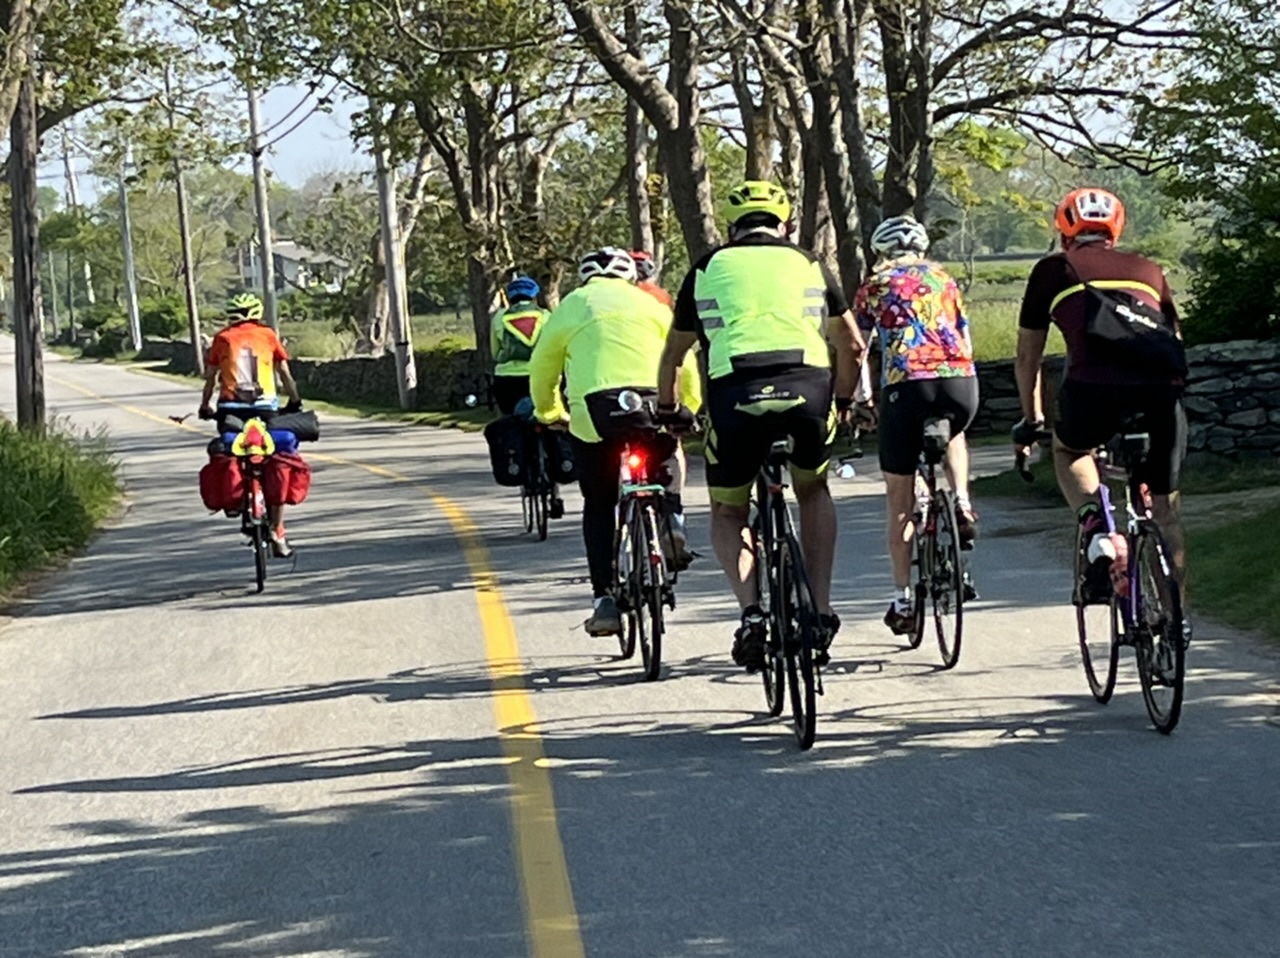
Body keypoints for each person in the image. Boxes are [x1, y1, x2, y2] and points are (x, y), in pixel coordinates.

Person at [657, 181, 867, 671]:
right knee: (813, 491)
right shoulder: (809, 262)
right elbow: (853, 346)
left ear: (732, 228)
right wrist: (841, 399)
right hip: (807, 389)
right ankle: (819, 609)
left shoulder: (707, 267)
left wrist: (670, 409)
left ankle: (752, 613)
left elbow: (674, 354)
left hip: (736, 393)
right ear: (784, 225)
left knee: (729, 512)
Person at [1013, 187, 1188, 628]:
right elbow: (1176, 339)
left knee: (1070, 449)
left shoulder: (1054, 269)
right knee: (1164, 511)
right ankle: (1176, 621)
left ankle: (1094, 523)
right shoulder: (1147, 268)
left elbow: (1027, 357)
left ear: (1065, 229)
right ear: (1116, 228)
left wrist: (1032, 418)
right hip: (1161, 392)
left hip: (1094, 386)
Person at [529, 247, 702, 636]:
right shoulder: (651, 304)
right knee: (666, 451)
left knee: (600, 503)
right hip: (653, 404)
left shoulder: (572, 306)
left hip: (596, 413)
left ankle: (604, 597)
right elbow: (684, 362)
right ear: (629, 277)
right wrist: (686, 409)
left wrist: (549, 412)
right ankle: (671, 515)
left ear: (586, 277)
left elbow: (543, 365)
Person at [854, 215, 980, 636]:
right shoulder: (946, 278)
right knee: (954, 432)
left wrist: (860, 399)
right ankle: (961, 500)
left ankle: (902, 598)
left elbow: (859, 348)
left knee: (899, 498)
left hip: (906, 386)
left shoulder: (875, 284)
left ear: (881, 251)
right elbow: (964, 333)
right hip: (960, 382)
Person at [199, 292, 303, 557]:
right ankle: (278, 531)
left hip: (230, 409)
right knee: (275, 456)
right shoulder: (267, 335)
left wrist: (205, 406)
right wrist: (294, 400)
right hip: (266, 408)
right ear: (256, 313)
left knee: (233, 449)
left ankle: (237, 502)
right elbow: (284, 373)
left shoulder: (221, 339)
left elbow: (211, 380)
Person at [490, 275, 550, 414]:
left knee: (508, 420)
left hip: (507, 379)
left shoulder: (499, 317)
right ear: (534, 295)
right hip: (539, 377)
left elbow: (495, 352)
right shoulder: (546, 316)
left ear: (510, 297)